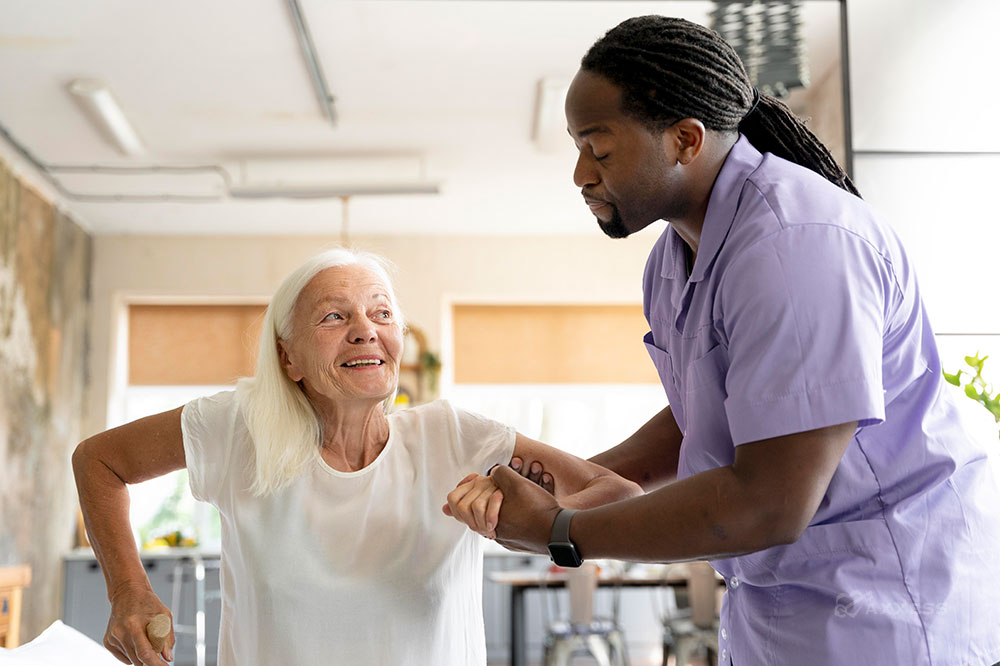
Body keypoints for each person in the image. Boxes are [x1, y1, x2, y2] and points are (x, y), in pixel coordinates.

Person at [456, 15, 1000, 665]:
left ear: (685, 139)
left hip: (887, 615)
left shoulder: (795, 244)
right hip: (779, 616)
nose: (580, 174)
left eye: (598, 149)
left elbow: (770, 501)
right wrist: (588, 479)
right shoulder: (671, 260)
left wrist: (562, 530)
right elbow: (709, 406)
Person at [72, 247, 641, 666]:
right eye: (334, 317)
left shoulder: (454, 437)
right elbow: (98, 461)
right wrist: (127, 589)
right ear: (288, 357)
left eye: (382, 313)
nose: (366, 331)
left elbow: (617, 495)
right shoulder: (237, 429)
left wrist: (537, 521)